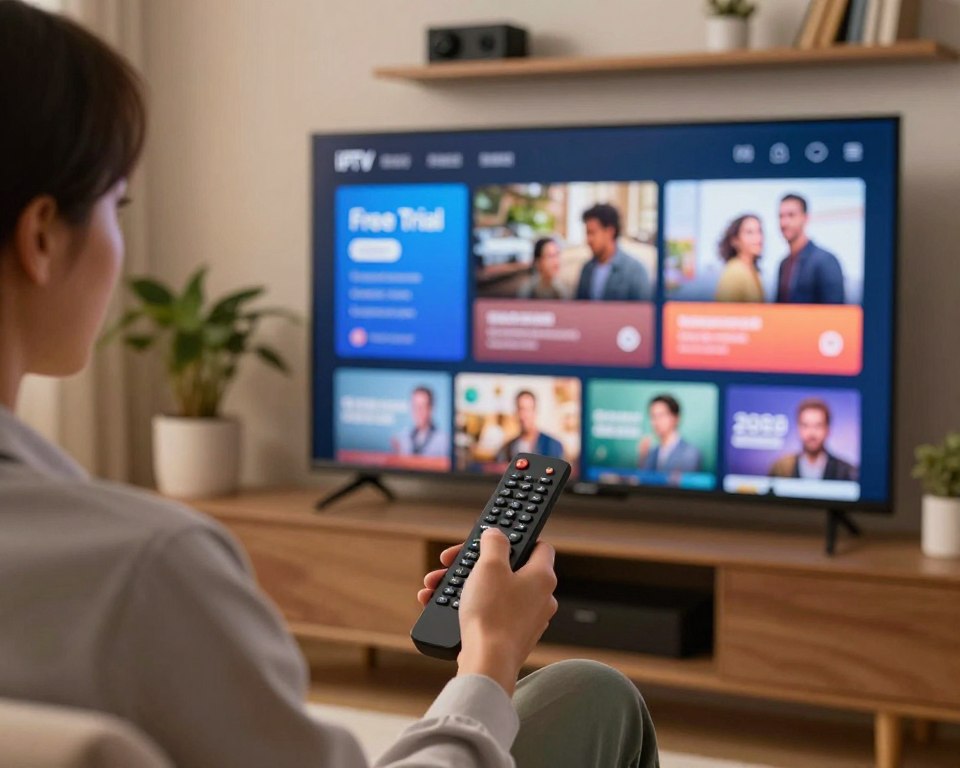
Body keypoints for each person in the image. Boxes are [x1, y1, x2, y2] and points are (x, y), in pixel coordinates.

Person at [0, 3, 660, 768]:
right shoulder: (147, 567)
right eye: (117, 206)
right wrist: (489, 656)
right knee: (598, 696)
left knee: (584, 689)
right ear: (42, 238)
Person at [775, 194, 845, 304]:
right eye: (781, 216)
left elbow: (835, 310)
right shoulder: (784, 264)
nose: (784, 222)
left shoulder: (825, 261)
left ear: (805, 218)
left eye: (791, 215)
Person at [574, 203, 652, 301]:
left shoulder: (635, 271)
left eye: (592, 233)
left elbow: (643, 308)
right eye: (587, 234)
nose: (588, 240)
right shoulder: (587, 269)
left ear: (610, 232)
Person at [768, 398, 858, 481]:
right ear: (798, 429)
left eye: (818, 426)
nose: (811, 433)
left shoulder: (847, 471)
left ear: (827, 430)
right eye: (805, 425)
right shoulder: (780, 469)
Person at [638, 395, 702, 474]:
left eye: (661, 415)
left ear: (676, 418)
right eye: (653, 416)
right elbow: (644, 479)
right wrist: (643, 458)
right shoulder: (652, 453)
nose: (656, 421)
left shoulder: (690, 453)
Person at [496, 390, 565, 462]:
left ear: (535, 412)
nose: (523, 415)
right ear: (515, 412)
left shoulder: (553, 445)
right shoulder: (507, 449)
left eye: (528, 410)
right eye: (520, 409)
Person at [714, 214, 765, 303]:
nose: (758, 238)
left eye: (759, 231)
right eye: (749, 232)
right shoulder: (734, 272)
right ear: (735, 240)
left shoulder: (752, 270)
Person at [392, 385, 448, 457]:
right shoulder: (401, 438)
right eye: (415, 406)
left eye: (422, 406)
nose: (418, 411)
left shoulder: (444, 441)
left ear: (431, 408)